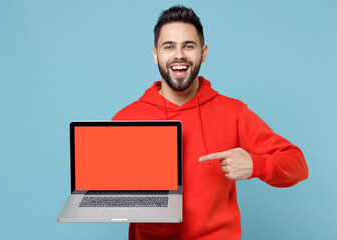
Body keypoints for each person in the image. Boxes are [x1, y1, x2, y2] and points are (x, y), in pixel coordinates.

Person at [112, 5, 308, 240]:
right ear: (155, 55)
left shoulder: (233, 112)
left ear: (203, 53)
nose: (179, 55)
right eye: (169, 46)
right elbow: (112, 192)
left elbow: (297, 164)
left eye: (188, 46)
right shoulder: (126, 119)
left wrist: (257, 165)